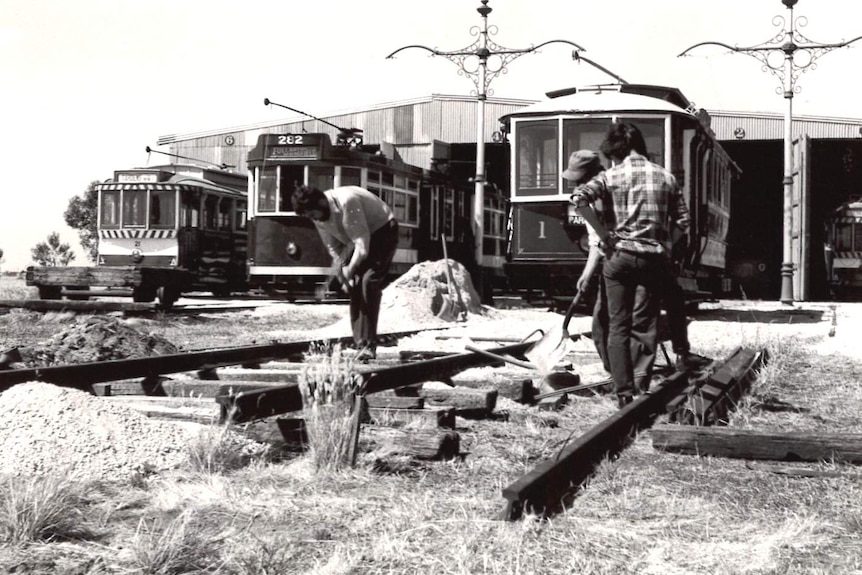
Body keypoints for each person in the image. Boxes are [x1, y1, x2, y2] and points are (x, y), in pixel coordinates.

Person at [570, 122, 693, 407]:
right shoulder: (666, 177)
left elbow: (579, 200)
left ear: (616, 150)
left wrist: (603, 236)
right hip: (653, 258)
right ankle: (642, 382)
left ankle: (623, 392)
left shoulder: (609, 175)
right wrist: (667, 244)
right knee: (645, 322)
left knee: (618, 325)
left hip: (619, 257)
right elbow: (683, 222)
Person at [291, 185, 399, 362]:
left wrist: (349, 271)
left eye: (312, 215)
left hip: (383, 231)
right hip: (356, 241)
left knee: (368, 281)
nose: (313, 220)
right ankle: (361, 343)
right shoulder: (318, 217)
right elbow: (335, 248)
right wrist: (342, 272)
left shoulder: (348, 202)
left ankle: (366, 345)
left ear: (321, 203)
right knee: (356, 286)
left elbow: (362, 247)